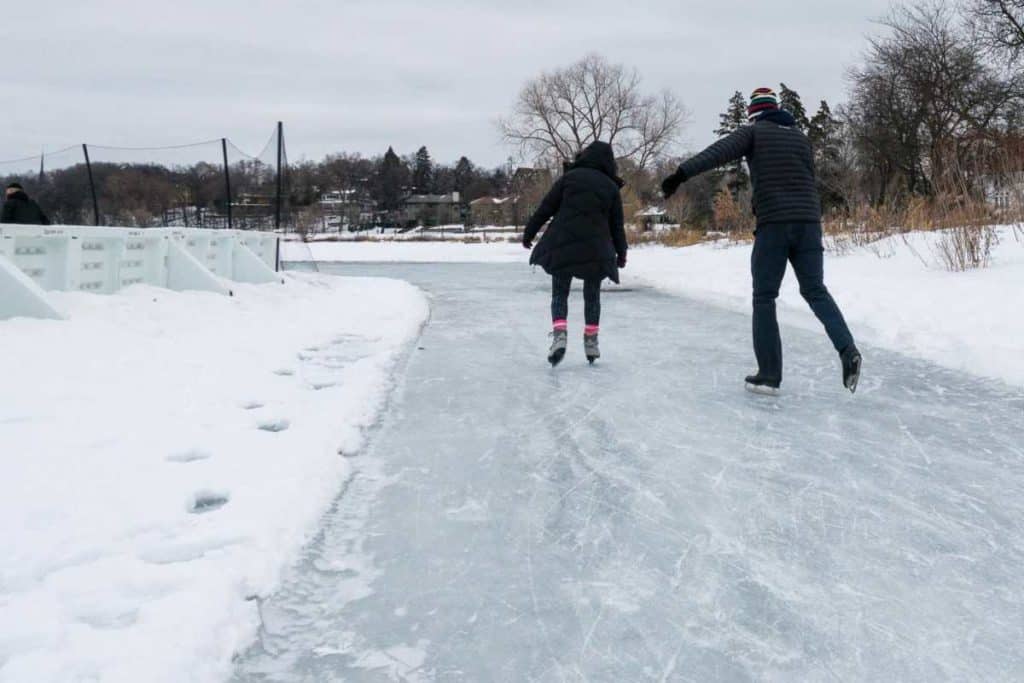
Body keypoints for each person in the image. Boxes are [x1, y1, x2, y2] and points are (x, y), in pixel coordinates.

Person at [661, 87, 861, 394]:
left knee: (764, 297)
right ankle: (847, 349)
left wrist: (680, 174)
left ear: (754, 114)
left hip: (775, 225)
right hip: (809, 223)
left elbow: (717, 152)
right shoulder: (801, 139)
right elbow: (807, 178)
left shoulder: (755, 132)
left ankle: (769, 374)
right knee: (815, 290)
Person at [523, 141, 628, 366]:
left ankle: (560, 335)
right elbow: (617, 226)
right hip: (596, 249)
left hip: (563, 244)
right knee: (592, 294)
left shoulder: (569, 178)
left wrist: (529, 233)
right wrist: (622, 254)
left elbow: (546, 207)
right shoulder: (610, 187)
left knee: (560, 292)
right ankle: (591, 341)